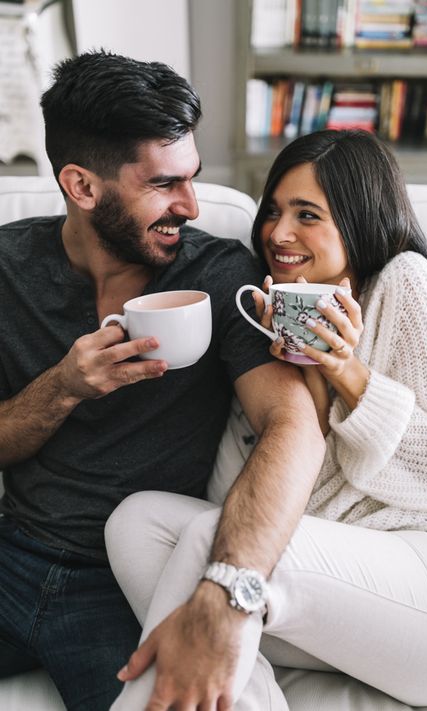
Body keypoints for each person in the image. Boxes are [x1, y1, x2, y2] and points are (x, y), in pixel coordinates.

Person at [0, 50, 325, 710]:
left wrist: (228, 593)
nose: (192, 204)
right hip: (11, 551)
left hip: (120, 584)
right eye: (163, 184)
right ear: (82, 186)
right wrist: (63, 386)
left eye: (193, 178)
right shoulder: (7, 266)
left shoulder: (221, 276)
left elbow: (295, 429)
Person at [106, 129, 427, 710]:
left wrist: (348, 373)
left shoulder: (406, 283)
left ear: (359, 219)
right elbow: (259, 503)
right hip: (337, 599)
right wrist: (301, 379)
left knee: (217, 545)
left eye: (308, 214)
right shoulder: (274, 313)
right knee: (137, 522)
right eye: (273, 211)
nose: (278, 233)